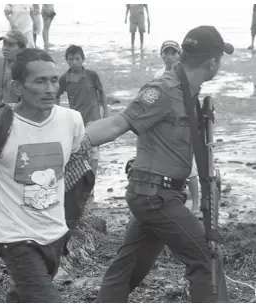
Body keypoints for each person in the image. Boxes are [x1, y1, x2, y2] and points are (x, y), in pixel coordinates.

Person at [85, 25, 234, 302]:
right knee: (206, 258)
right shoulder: (163, 90)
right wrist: (71, 143)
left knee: (126, 270)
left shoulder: (189, 93)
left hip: (159, 195)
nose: (220, 64)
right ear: (212, 62)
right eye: (220, 59)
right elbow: (118, 123)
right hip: (155, 197)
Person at [0, 48, 93, 303]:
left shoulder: (71, 120)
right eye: (40, 81)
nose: (50, 89)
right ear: (17, 87)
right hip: (15, 237)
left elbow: (75, 164)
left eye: (54, 80)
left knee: (23, 297)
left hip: (55, 232)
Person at [154, 40, 200, 216]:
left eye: (173, 53)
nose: (169, 56)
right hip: (164, 124)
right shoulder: (158, 76)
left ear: (179, 55)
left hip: (183, 122)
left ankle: (196, 205)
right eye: (166, 53)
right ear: (162, 55)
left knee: (191, 168)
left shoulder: (185, 75)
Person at [56, 45, 108, 183]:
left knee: (94, 152)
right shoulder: (64, 79)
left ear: (83, 59)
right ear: (66, 60)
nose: (74, 62)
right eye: (71, 59)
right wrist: (56, 113)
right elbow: (57, 95)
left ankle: (91, 183)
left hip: (93, 119)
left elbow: (101, 92)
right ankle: (80, 181)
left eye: (77, 59)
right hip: (76, 121)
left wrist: (105, 113)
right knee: (78, 152)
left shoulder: (91, 75)